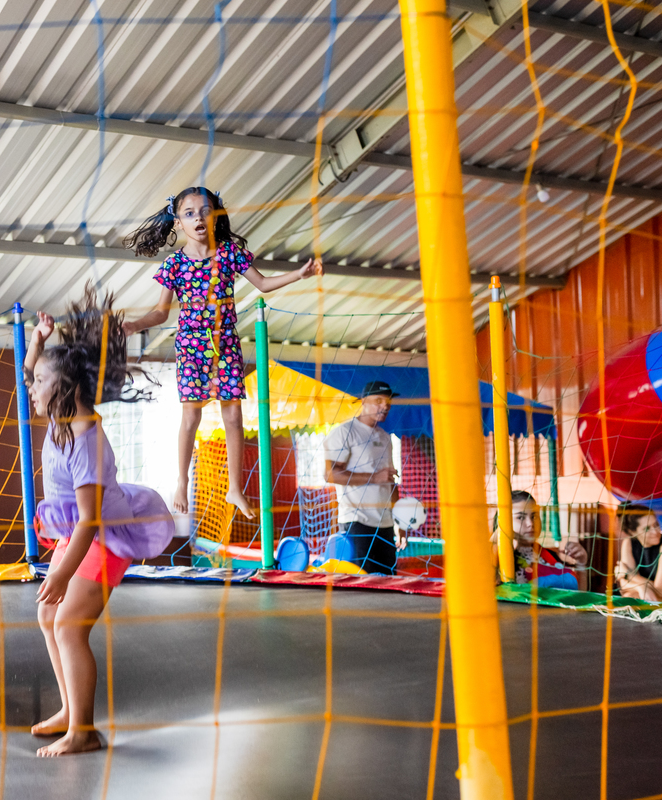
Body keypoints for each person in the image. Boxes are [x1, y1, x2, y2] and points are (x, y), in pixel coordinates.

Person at [24, 285, 175, 757]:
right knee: (48, 615)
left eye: (39, 383)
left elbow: (90, 520)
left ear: (65, 389)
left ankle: (83, 731)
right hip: (81, 534)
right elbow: (32, 371)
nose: (30, 388)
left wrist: (60, 573)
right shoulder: (62, 415)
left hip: (105, 538)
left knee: (69, 625)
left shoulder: (86, 440)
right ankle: (70, 709)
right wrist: (38, 342)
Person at [122, 187, 322, 519]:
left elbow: (263, 284)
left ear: (215, 216)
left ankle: (235, 489)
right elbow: (160, 313)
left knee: (233, 417)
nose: (198, 218)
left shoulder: (229, 253)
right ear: (178, 222)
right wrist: (134, 325)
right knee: (191, 417)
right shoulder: (175, 264)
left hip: (225, 344)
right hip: (191, 348)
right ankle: (181, 481)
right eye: (189, 213)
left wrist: (299, 274)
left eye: (205, 211)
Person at [323, 381, 402, 575]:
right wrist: (374, 477)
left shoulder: (385, 437)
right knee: (363, 582)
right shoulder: (345, 432)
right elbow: (329, 474)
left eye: (388, 402)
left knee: (389, 581)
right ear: (364, 401)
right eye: (378, 401)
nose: (385, 406)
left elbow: (389, 481)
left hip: (385, 523)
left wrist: (400, 520)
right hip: (357, 522)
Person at [494, 490, 588, 590]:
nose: (530, 523)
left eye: (534, 516)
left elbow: (580, 593)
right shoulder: (499, 559)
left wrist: (581, 563)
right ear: (503, 521)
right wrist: (499, 538)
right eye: (520, 517)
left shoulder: (548, 555)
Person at [614, 502, 662, 600]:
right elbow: (623, 585)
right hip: (645, 594)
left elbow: (660, 590)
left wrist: (630, 575)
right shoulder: (629, 543)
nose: (655, 531)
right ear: (633, 532)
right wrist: (641, 587)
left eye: (656, 524)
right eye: (647, 528)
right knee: (629, 597)